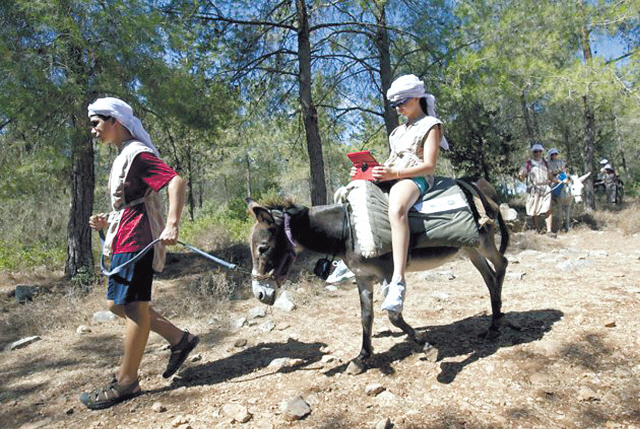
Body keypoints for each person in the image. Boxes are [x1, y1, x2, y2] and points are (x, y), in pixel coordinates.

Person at [81, 97, 200, 410]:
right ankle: (179, 339)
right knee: (116, 305)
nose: (93, 130)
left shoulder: (137, 153)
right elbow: (133, 200)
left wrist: (172, 224)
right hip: (124, 234)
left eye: (96, 123)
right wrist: (107, 219)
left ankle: (127, 381)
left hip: (140, 238)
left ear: (115, 120)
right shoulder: (124, 155)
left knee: (133, 306)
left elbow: (175, 181)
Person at [351, 74, 448, 313]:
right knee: (352, 192)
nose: (399, 108)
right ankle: (352, 256)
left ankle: (397, 281)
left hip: (416, 177)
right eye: (395, 105)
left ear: (417, 97)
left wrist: (393, 174)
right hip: (395, 173)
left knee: (396, 208)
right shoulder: (397, 132)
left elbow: (429, 166)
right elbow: (391, 161)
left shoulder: (431, 125)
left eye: (402, 102)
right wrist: (369, 170)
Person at [519, 143, 554, 236]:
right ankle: (537, 229)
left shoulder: (546, 163)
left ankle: (549, 231)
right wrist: (522, 175)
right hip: (534, 189)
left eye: (539, 151)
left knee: (548, 209)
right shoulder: (527, 163)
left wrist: (553, 180)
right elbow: (522, 177)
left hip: (546, 188)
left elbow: (550, 176)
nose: (538, 153)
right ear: (533, 152)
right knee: (535, 210)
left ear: (542, 152)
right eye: (535, 151)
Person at [548, 148, 568, 231]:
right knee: (553, 186)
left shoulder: (560, 162)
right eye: (552, 154)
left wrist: (565, 177)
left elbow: (564, 170)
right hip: (553, 178)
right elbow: (550, 172)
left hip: (562, 176)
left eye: (555, 154)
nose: (554, 156)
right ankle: (555, 197)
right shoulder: (548, 163)